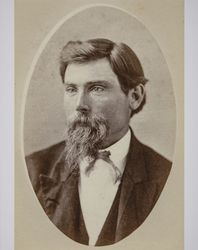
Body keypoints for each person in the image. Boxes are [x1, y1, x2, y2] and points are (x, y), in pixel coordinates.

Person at [26, 38, 172, 246]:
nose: (80, 105)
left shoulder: (168, 178)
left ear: (135, 96)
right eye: (71, 89)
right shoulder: (30, 171)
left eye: (96, 89)